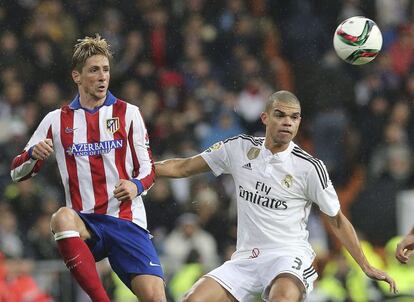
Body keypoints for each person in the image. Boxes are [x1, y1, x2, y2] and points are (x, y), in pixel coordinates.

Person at [155, 90, 397, 302]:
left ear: (299, 122)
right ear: (265, 117)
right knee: (193, 299)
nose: (287, 122)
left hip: (288, 256)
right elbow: (183, 167)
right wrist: (138, 170)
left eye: (294, 117)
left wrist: (365, 265)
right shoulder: (239, 149)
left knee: (281, 298)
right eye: (280, 115)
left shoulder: (309, 167)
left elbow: (337, 219)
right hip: (246, 259)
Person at [10, 34, 166, 302]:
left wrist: (135, 185)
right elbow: (16, 173)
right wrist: (34, 155)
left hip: (127, 222)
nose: (102, 76)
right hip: (87, 224)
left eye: (105, 70)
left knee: (155, 299)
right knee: (61, 217)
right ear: (77, 76)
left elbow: (149, 170)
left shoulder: (129, 114)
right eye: (94, 70)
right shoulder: (56, 120)